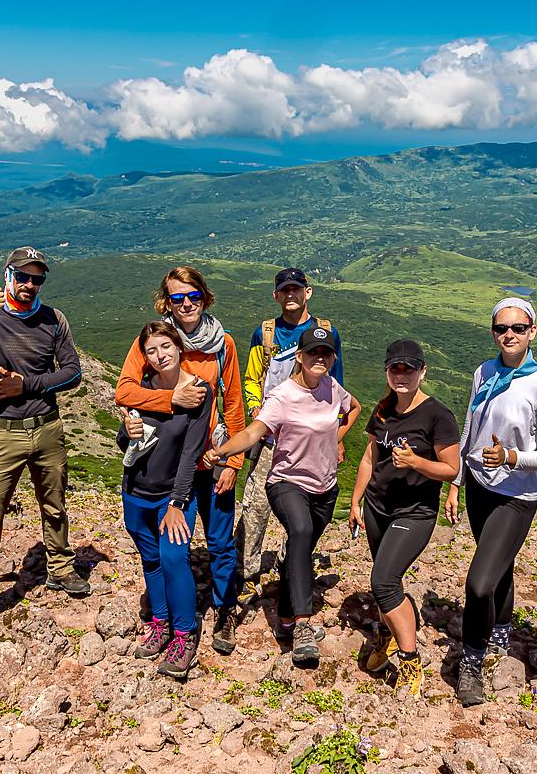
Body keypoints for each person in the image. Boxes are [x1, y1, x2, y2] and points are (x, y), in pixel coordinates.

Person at [0, 246, 88, 627]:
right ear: (8, 275)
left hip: (46, 427)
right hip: (0, 432)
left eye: (37, 279)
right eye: (22, 276)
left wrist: (24, 384)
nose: (29, 284)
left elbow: (73, 373)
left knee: (55, 505)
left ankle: (60, 567)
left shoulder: (53, 319)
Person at [205, 327, 361, 665]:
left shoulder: (333, 388)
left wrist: (336, 437)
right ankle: (303, 626)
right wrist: (222, 452)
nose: (320, 358)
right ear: (300, 357)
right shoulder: (282, 395)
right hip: (287, 482)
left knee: (298, 552)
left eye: (326, 353)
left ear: (332, 358)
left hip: (325, 488)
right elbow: (253, 432)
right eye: (313, 352)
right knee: (301, 532)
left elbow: (354, 408)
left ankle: (285, 621)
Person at [115, 266, 247, 654]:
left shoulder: (223, 344)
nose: (186, 303)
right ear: (167, 302)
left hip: (213, 457)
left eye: (193, 296)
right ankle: (175, 616)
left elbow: (233, 402)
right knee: (173, 548)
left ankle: (225, 610)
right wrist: (170, 399)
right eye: (177, 298)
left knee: (220, 541)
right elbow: (125, 391)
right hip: (173, 465)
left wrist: (233, 461)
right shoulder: (156, 341)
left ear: (204, 297)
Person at [444, 297, 537, 707]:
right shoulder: (484, 372)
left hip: (516, 496)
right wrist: (457, 482)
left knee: (479, 582)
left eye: (517, 328)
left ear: (532, 332)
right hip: (480, 487)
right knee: (500, 565)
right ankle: (499, 633)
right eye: (501, 328)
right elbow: (470, 428)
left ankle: (472, 662)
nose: (508, 335)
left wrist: (511, 457)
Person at [349, 339, 460, 697]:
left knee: (383, 581)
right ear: (387, 371)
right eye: (394, 368)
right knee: (388, 583)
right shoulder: (383, 410)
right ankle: (386, 638)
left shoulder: (437, 415)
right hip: (377, 508)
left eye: (408, 369)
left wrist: (416, 462)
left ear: (422, 372)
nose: (401, 375)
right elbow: (370, 458)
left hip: (415, 512)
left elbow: (451, 468)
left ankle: (411, 661)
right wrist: (356, 501)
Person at [237, 267, 344, 606]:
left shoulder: (326, 333)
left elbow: (338, 388)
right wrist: (256, 409)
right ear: (276, 296)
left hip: (310, 441)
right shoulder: (265, 334)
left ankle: (291, 559)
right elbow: (252, 378)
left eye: (296, 289)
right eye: (285, 290)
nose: (291, 295)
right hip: (269, 436)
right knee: (256, 507)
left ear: (307, 293)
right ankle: (247, 573)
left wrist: (337, 436)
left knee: (308, 510)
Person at [116, 323, 212, 679]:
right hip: (135, 491)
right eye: (152, 350)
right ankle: (160, 622)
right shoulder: (141, 390)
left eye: (166, 346)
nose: (160, 355)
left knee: (173, 558)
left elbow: (191, 453)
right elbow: (125, 444)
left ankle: (185, 634)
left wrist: (177, 503)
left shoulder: (199, 391)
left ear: (179, 346)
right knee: (151, 558)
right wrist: (125, 432)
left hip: (172, 495)